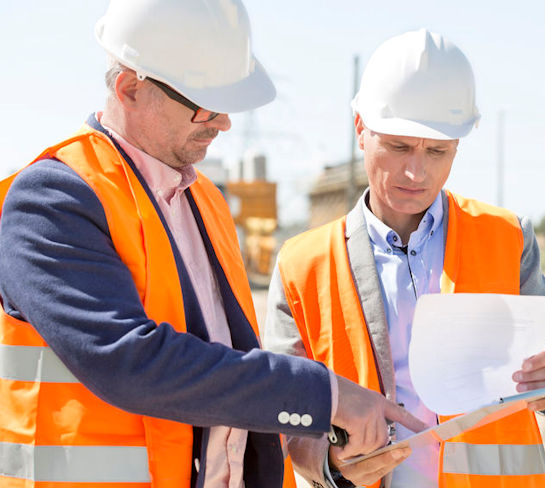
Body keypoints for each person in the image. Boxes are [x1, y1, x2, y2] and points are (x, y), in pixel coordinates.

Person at [0, 2, 424, 487]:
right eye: (205, 104)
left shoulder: (206, 201)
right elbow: (128, 361)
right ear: (130, 88)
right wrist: (323, 395)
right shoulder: (53, 199)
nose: (222, 123)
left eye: (228, 105)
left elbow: (226, 376)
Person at [263, 29, 545, 488]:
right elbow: (279, 408)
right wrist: (330, 460)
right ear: (361, 128)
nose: (417, 172)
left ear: (459, 144)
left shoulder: (506, 236)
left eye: (437, 151)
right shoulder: (301, 264)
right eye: (399, 147)